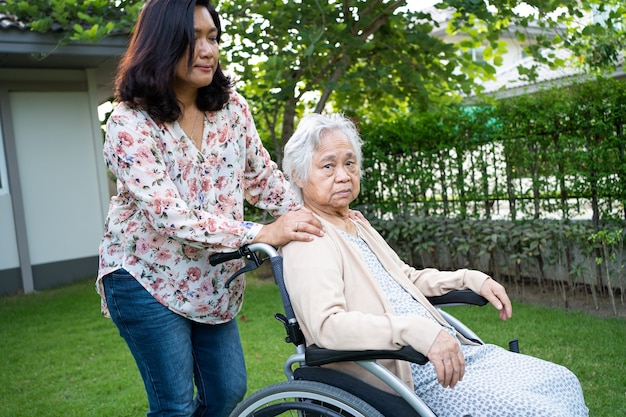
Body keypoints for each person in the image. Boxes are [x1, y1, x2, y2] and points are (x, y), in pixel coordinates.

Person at [95, 1, 328, 416]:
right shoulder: (129, 124)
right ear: (161, 43)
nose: (208, 50)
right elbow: (170, 216)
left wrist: (316, 217)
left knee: (227, 392)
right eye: (193, 38)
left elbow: (262, 178)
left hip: (211, 280)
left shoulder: (232, 109)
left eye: (213, 37)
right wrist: (262, 232)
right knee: (175, 405)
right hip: (144, 276)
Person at [280, 113, 589, 417]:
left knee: (561, 381)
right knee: (539, 411)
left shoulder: (355, 223)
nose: (344, 175)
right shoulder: (310, 237)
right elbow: (328, 327)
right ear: (298, 174)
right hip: (408, 376)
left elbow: (403, 278)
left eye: (349, 163)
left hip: (446, 354)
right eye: (328, 166)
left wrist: (468, 279)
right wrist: (415, 330)